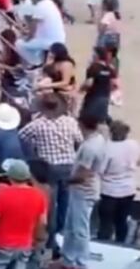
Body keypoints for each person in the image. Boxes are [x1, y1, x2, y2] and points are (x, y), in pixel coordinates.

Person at [18, 95, 82, 245]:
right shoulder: (70, 122)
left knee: (50, 204)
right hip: (68, 165)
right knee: (65, 201)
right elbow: (79, 142)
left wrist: (34, 148)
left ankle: (51, 237)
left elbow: (21, 137)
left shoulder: (37, 125)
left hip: (49, 167)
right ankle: (62, 232)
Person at [0, 160, 47, 269]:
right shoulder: (38, 195)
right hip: (25, 244)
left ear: (10, 177)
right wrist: (35, 239)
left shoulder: (3, 194)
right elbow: (43, 222)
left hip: (3, 244)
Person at [61, 114, 107, 269]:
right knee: (71, 227)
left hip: (83, 191)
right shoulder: (97, 139)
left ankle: (80, 262)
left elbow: (83, 175)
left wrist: (65, 181)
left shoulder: (90, 147)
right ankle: (68, 259)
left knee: (80, 230)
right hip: (81, 190)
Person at [96, 120, 138, 243]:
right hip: (128, 189)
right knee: (121, 220)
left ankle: (103, 244)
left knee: (105, 222)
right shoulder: (133, 144)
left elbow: (101, 170)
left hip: (110, 190)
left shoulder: (107, 148)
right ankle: (121, 244)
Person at [16, 0, 66, 67]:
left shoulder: (39, 7)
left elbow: (32, 30)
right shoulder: (49, 3)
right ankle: (38, 62)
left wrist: (26, 37)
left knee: (19, 44)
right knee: (33, 43)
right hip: (58, 38)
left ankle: (35, 64)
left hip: (50, 41)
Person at [79, 46, 115, 123]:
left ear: (97, 56)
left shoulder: (93, 67)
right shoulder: (110, 68)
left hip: (93, 98)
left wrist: (80, 89)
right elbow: (113, 84)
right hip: (104, 99)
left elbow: (89, 83)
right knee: (100, 122)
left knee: (85, 121)